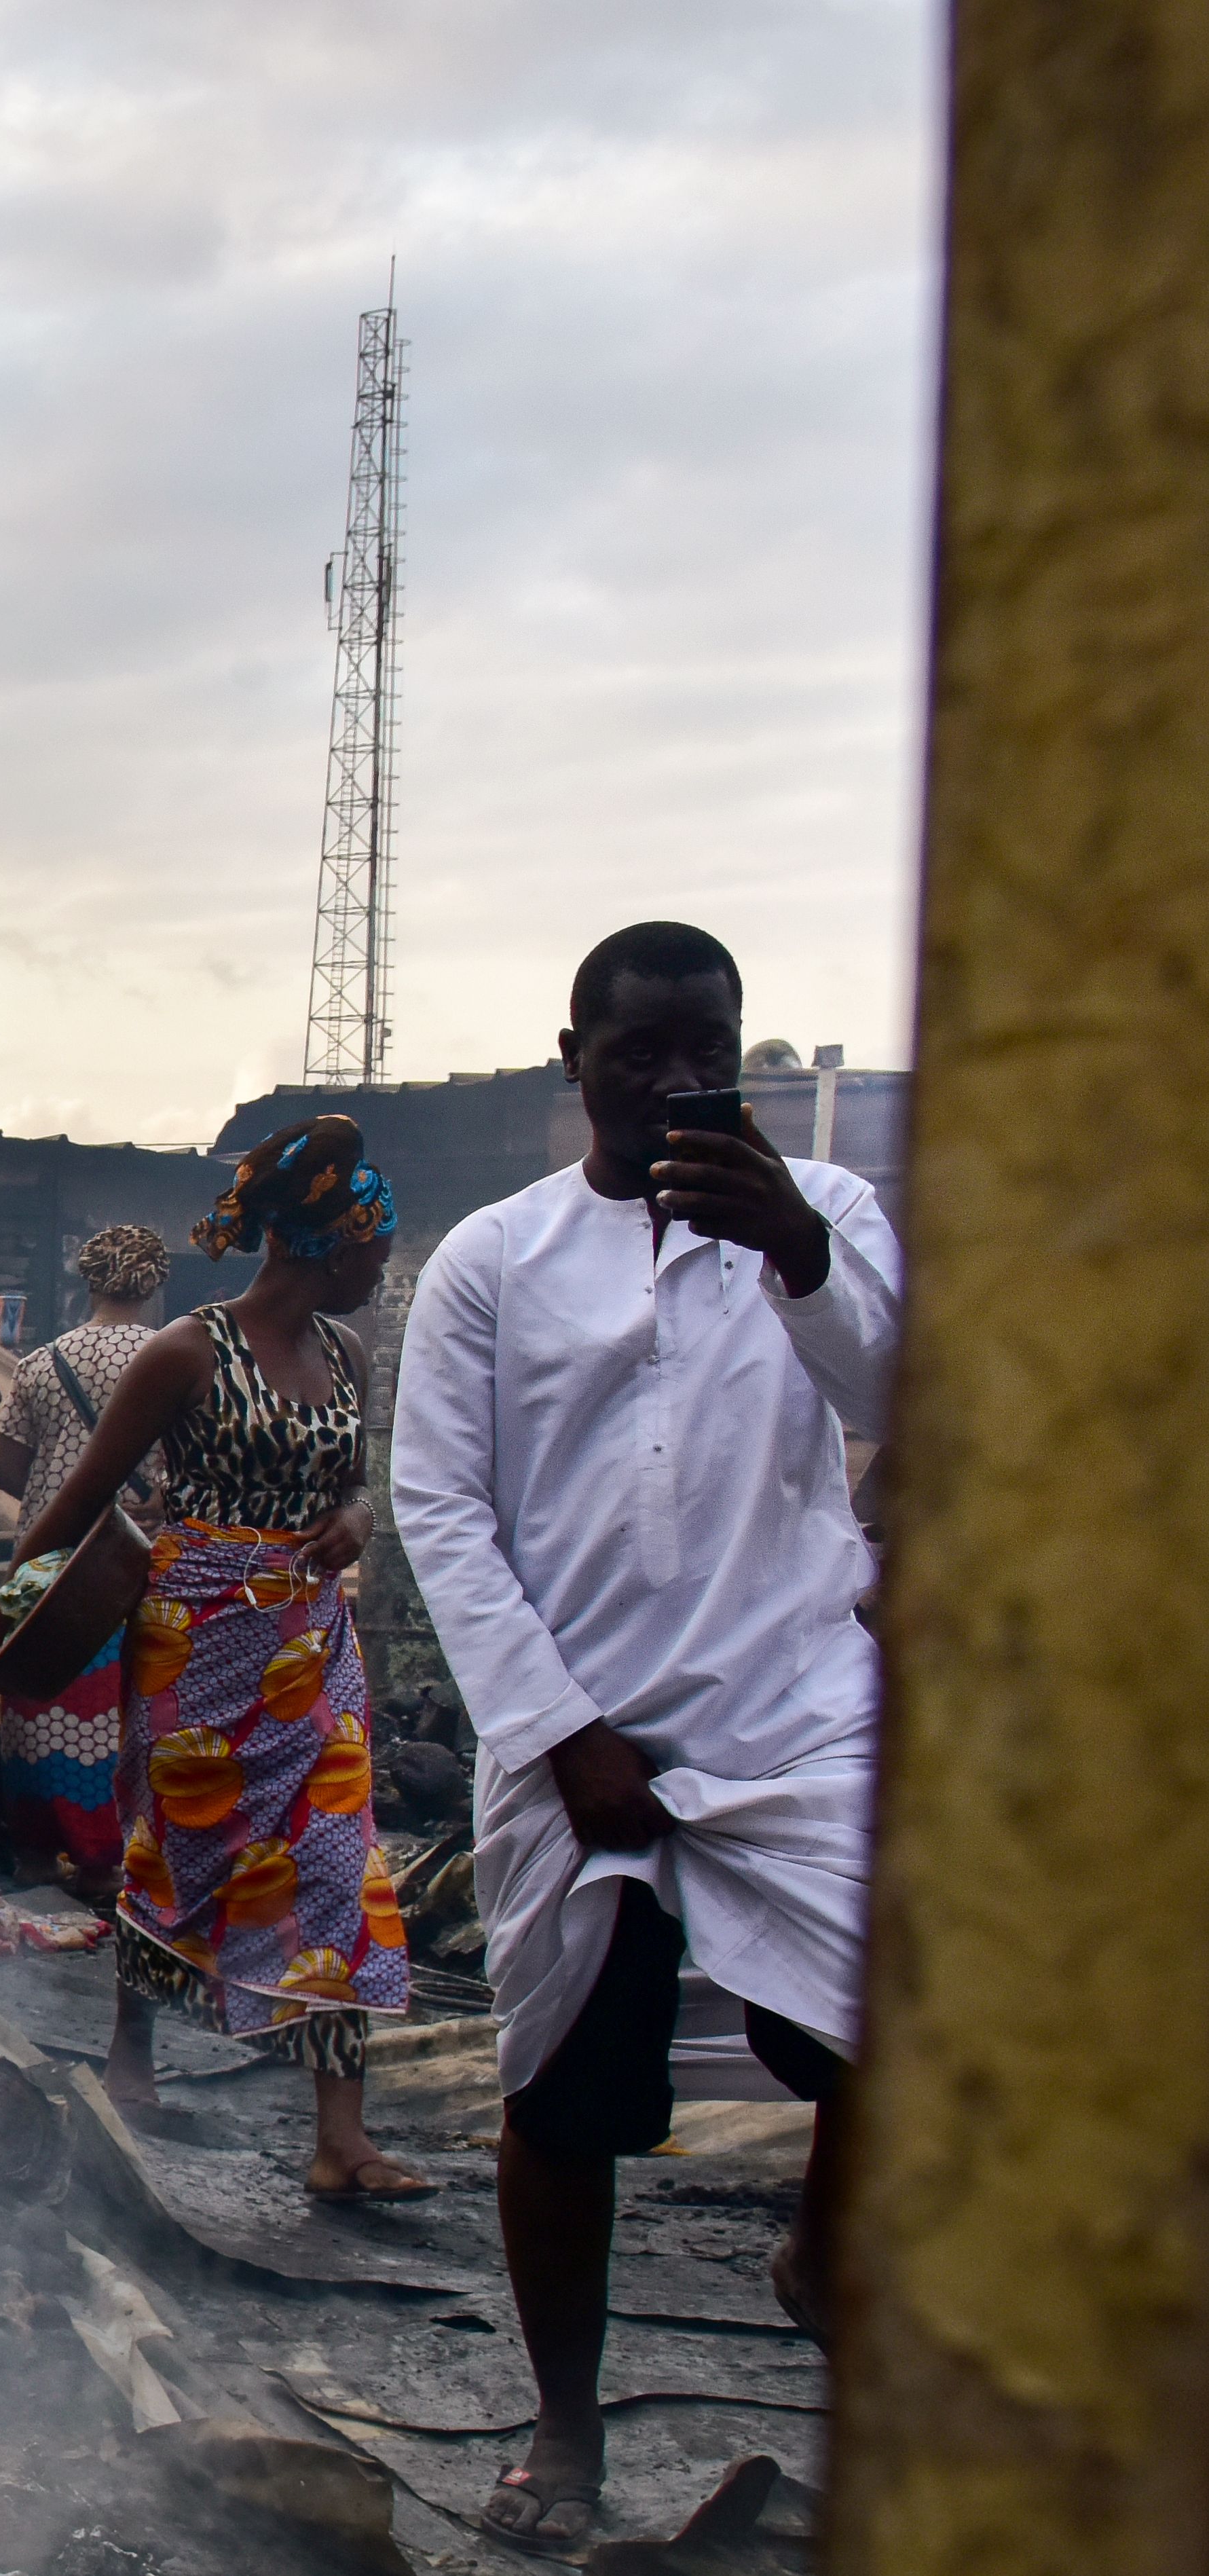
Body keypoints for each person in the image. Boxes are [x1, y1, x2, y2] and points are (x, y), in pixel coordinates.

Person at [389, 924, 895, 2557]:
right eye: (641, 1052)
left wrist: (798, 1249)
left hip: (800, 1710)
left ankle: (823, 2255)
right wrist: (556, 1727)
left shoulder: (829, 1218)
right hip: (577, 1732)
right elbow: (442, 1510)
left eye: (710, 1048)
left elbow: (903, 1381)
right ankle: (566, 2419)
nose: (681, 1079)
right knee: (563, 2091)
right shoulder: (494, 1260)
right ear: (573, 1059)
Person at [0, 1114, 423, 2201]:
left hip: (309, 1642)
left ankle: (341, 2137)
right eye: (373, 1243)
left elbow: (352, 1484)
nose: (383, 1263)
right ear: (321, 1242)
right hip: (193, 1643)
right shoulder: (185, 1350)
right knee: (173, 1854)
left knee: (337, 1863)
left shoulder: (347, 1355)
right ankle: (129, 2052)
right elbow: (70, 1509)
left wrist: (359, 1522)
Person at [0, 1223, 175, 1885]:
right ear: (154, 1282)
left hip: (52, 1557)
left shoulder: (41, 1362)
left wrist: (58, 1481)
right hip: (140, 1556)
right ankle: (116, 1859)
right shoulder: (175, 1356)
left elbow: (8, 1471)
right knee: (128, 1704)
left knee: (45, 1700)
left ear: (87, 1282)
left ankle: (37, 1855)